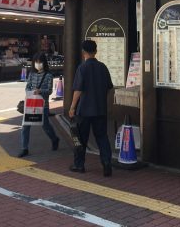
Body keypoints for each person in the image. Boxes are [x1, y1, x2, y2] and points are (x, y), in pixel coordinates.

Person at [68, 40, 114, 176]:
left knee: (81, 139)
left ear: (83, 52)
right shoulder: (103, 67)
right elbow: (109, 87)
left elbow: (78, 90)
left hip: (84, 110)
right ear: (95, 51)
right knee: (102, 137)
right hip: (100, 109)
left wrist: (72, 107)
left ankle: (79, 165)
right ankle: (106, 164)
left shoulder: (82, 68)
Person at [18, 53, 60, 158]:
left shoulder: (49, 75)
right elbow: (27, 87)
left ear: (44, 63)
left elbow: (49, 91)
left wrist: (40, 91)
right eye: (36, 62)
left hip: (43, 105)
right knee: (25, 126)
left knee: (45, 125)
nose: (38, 64)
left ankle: (54, 139)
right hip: (31, 104)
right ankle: (24, 148)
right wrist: (30, 91)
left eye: (40, 62)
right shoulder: (31, 74)